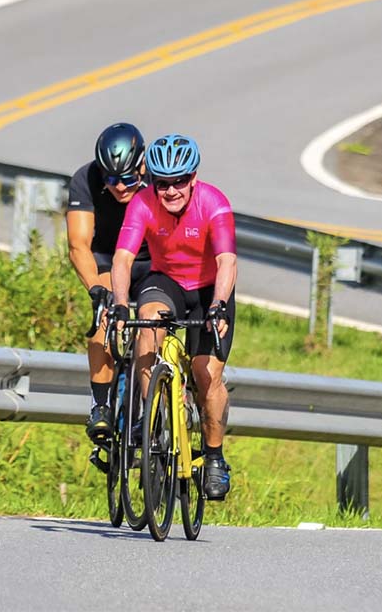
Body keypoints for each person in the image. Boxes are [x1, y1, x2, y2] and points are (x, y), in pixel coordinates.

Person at [110, 134, 238, 501]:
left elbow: (226, 260)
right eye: (162, 183)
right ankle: (152, 418)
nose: (170, 191)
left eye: (179, 181)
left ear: (193, 177)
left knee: (206, 374)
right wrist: (121, 304)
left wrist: (218, 305)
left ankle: (214, 458)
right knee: (147, 325)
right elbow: (122, 258)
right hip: (166, 282)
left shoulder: (214, 203)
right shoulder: (142, 203)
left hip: (209, 289)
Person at [65, 122, 152, 445]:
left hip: (150, 260)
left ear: (143, 165)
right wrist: (95, 289)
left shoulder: (159, 180)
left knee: (154, 323)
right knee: (105, 319)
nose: (119, 187)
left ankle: (163, 398)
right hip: (107, 258)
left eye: (129, 179)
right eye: (111, 179)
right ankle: (101, 405)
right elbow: (79, 245)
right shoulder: (85, 179)